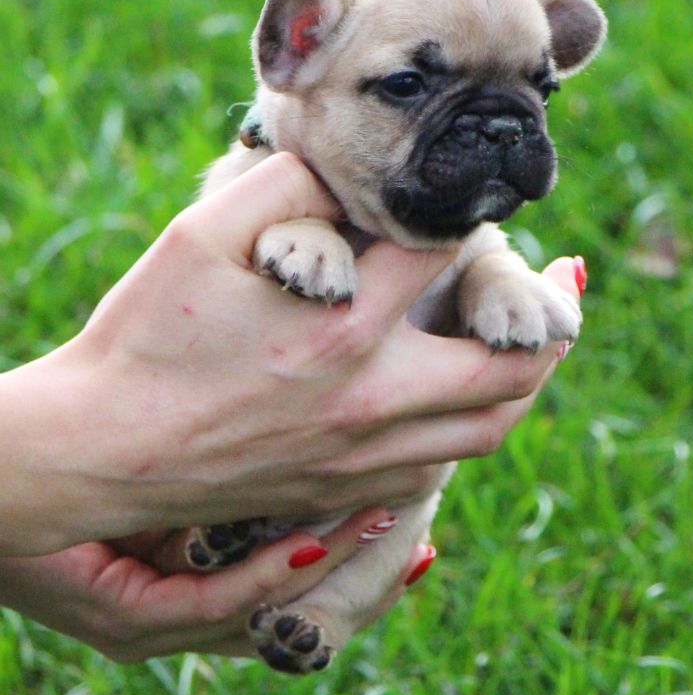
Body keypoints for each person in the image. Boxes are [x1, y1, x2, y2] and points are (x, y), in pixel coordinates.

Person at [0, 153, 582, 661]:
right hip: (174, 513)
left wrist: (494, 277)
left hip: (366, 508)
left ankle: (324, 615)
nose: (498, 129)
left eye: (539, 89)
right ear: (286, 64)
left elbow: (482, 254)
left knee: (398, 524)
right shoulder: (256, 188)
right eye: (407, 85)